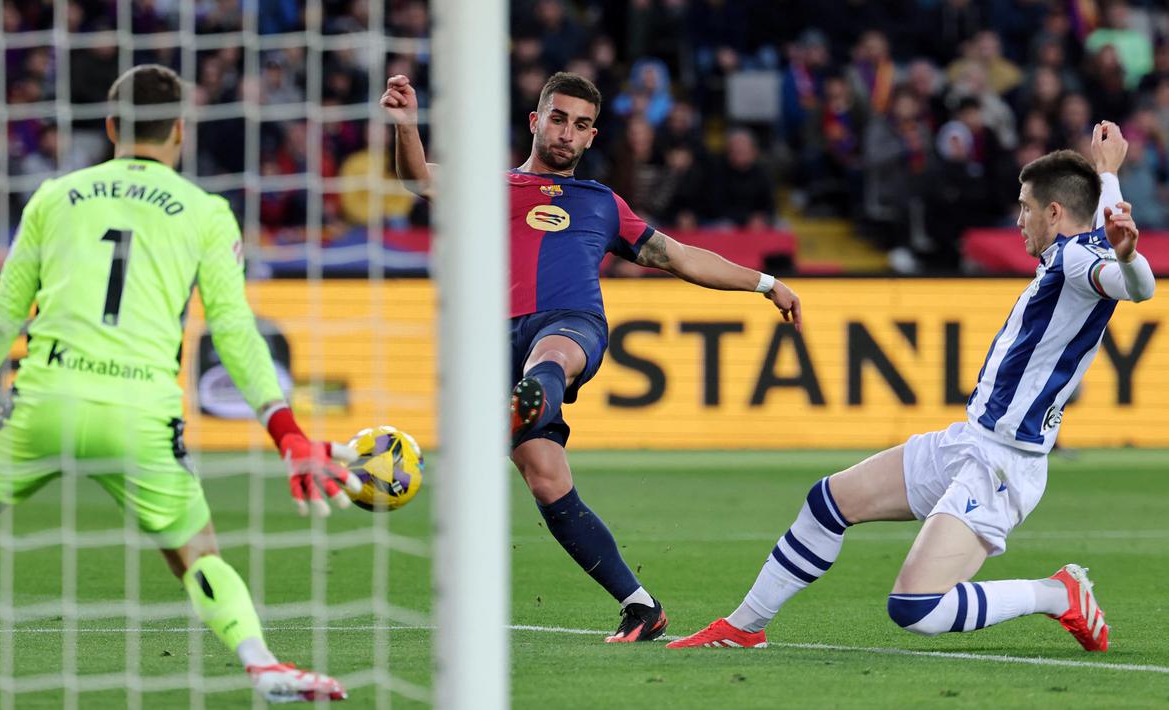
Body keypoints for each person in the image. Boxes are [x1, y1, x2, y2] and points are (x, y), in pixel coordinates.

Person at [0, 65, 353, 703]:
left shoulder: (55, 195)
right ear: (180, 131)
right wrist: (288, 433)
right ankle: (262, 664)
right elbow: (234, 331)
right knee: (198, 553)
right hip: (140, 412)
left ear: (110, 128)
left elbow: (2, 314)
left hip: (47, 398)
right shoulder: (207, 213)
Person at [669, 122, 1155, 652]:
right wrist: (1107, 174)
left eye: (1025, 208)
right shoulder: (1085, 244)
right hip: (970, 440)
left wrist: (1130, 255)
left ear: (1054, 213)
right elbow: (1108, 236)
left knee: (916, 608)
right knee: (828, 502)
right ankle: (744, 626)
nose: (1019, 220)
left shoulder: (1079, 259)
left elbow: (1137, 286)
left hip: (1003, 464)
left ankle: (1056, 594)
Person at [380, 71, 801, 643]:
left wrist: (765, 282)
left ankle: (531, 398)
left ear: (592, 136)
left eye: (580, 125)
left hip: (571, 324)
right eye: (558, 119)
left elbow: (678, 256)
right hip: (496, 342)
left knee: (550, 357)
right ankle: (641, 605)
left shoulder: (602, 203)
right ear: (536, 121)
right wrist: (406, 124)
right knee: (546, 481)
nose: (567, 133)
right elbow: (419, 179)